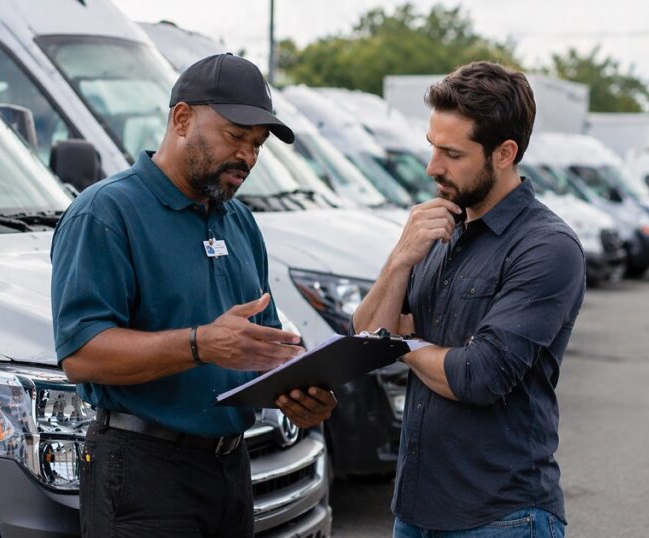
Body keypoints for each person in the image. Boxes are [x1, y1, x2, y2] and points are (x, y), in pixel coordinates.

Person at [50, 53, 337, 538]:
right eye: (235, 137)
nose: (247, 156)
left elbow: (262, 345)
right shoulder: (105, 212)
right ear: (182, 119)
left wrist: (300, 386)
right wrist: (199, 344)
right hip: (142, 471)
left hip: (231, 466)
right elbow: (81, 354)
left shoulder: (240, 222)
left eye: (257, 145)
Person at [352, 61, 586, 537]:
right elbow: (364, 338)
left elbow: (479, 375)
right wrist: (400, 257)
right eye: (432, 147)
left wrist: (405, 342)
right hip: (414, 510)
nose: (432, 167)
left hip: (501, 516)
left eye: (452, 154)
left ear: (504, 153)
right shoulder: (439, 229)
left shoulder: (546, 248)